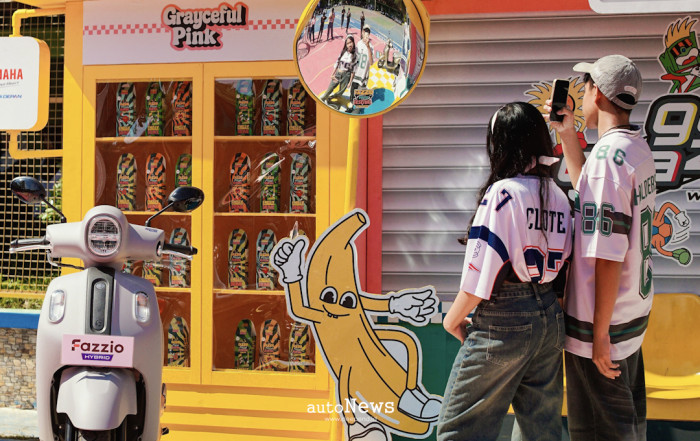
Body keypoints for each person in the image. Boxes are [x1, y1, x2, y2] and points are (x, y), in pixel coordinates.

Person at [437, 102, 573, 441]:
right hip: (550, 319)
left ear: (502, 143)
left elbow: (481, 273)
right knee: (540, 432)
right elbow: (566, 271)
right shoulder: (559, 196)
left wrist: (451, 320)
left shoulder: (503, 193)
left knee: (458, 430)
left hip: (505, 320)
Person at [546, 55, 655, 441]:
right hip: (628, 318)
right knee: (627, 427)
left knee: (600, 432)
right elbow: (589, 196)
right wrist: (568, 134)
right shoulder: (634, 148)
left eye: (586, 84)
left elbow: (607, 256)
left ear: (599, 94)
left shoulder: (608, 160)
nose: (582, 93)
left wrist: (599, 336)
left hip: (601, 326)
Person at [322, 35, 357, 103]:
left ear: (353, 42)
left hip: (346, 76)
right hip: (338, 74)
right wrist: (332, 74)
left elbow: (353, 70)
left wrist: (350, 82)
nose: (349, 45)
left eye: (351, 42)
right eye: (347, 43)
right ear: (346, 45)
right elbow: (337, 63)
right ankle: (323, 99)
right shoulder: (343, 52)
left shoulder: (355, 56)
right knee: (330, 88)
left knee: (341, 91)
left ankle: (331, 97)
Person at [348, 25, 374, 112]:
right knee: (352, 91)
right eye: (365, 31)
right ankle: (351, 105)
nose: (366, 34)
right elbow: (354, 58)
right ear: (362, 32)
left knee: (359, 96)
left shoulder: (371, 46)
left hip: (364, 75)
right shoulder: (358, 44)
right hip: (357, 73)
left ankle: (357, 110)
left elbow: (371, 62)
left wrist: (368, 46)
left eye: (368, 32)